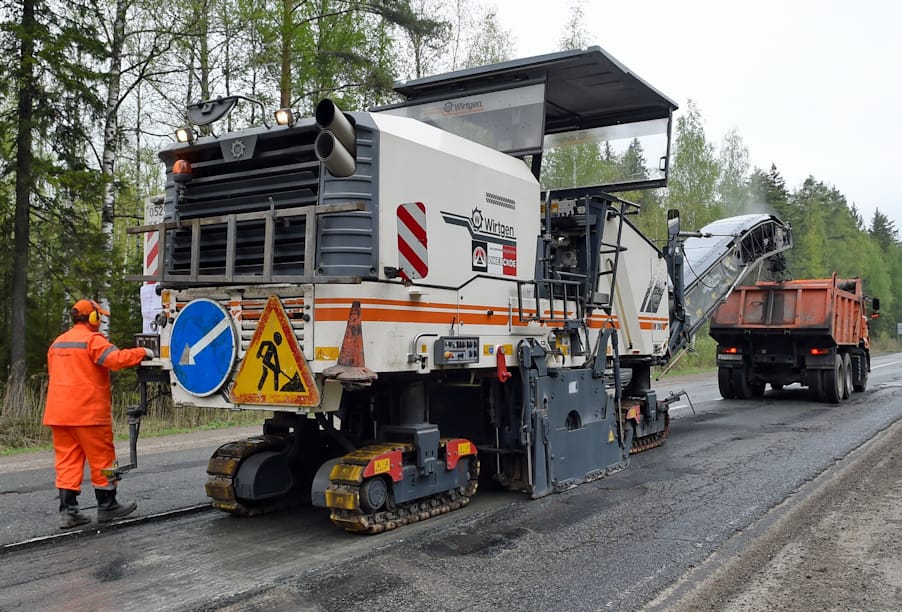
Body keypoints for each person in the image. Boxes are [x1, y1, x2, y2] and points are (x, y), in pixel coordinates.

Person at [43, 298, 154, 529]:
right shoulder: (93, 341)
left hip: (59, 414)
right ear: (92, 318)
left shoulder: (58, 343)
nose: (101, 320)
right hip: (88, 414)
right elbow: (115, 360)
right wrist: (142, 352)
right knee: (103, 461)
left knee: (67, 462)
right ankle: (108, 506)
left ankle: (69, 513)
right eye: (99, 316)